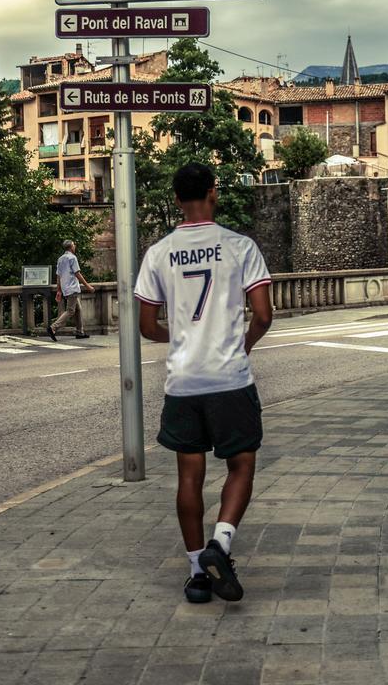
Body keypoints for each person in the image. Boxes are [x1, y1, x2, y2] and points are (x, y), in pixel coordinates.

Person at [135, 162, 273, 603]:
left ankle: (198, 573)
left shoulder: (159, 253)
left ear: (176, 199)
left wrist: (182, 338)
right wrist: (243, 344)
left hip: (184, 381)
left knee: (188, 476)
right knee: (242, 464)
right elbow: (265, 314)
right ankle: (222, 543)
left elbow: (146, 325)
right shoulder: (240, 247)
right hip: (229, 377)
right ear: (214, 193)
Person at [48, 240, 94, 341]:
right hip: (72, 288)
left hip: (65, 288)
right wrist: (88, 286)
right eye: (74, 245)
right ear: (71, 247)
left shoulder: (60, 259)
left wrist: (59, 290)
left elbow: (58, 276)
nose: (75, 246)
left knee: (78, 309)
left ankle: (79, 332)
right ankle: (53, 327)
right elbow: (77, 273)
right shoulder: (72, 258)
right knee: (70, 311)